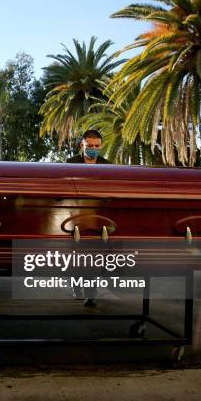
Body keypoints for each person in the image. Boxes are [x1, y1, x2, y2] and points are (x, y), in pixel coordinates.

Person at [67, 129, 111, 307]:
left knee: (93, 257)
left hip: (97, 217)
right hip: (75, 216)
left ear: (101, 146)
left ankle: (91, 293)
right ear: (82, 145)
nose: (93, 149)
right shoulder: (71, 163)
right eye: (89, 146)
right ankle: (76, 285)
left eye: (96, 146)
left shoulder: (107, 166)